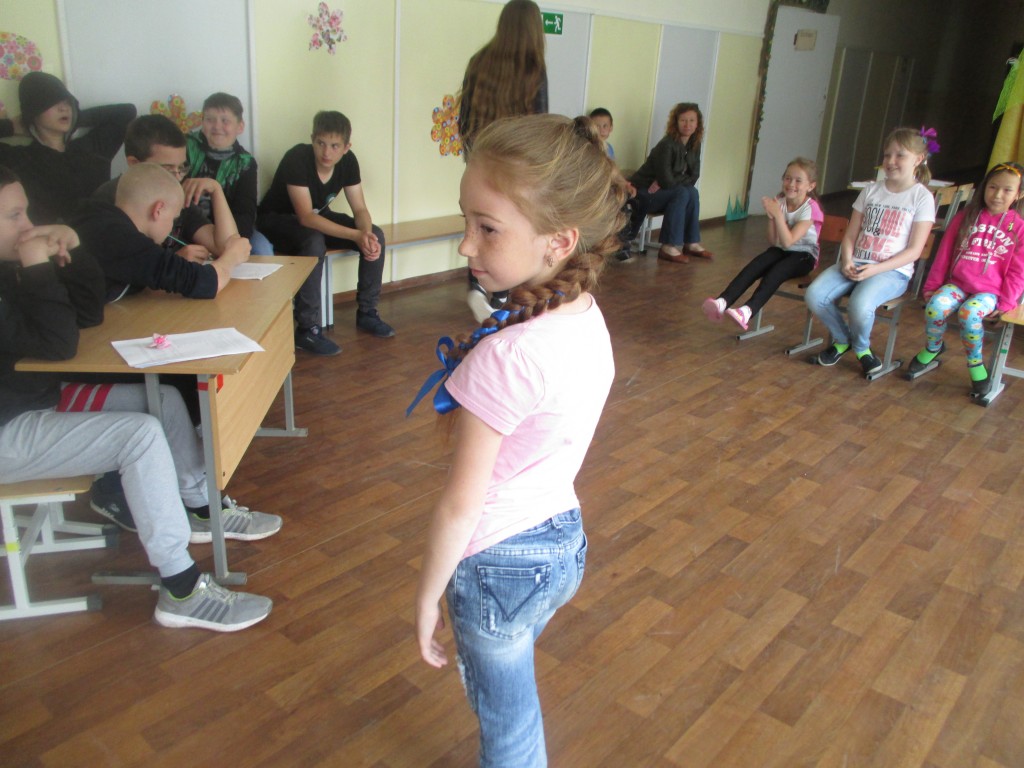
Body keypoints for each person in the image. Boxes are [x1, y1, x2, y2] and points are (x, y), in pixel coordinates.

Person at [413, 114, 623, 767]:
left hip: (495, 562)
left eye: (487, 228)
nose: (465, 245)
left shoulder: (506, 357)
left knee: (510, 731)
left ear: (559, 241)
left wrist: (426, 596)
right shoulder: (585, 315)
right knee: (511, 679)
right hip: (563, 547)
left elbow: (460, 505)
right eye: (466, 221)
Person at [0, 165, 274, 631]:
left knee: (162, 399)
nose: (29, 226)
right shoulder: (17, 271)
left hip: (35, 399)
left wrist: (74, 248)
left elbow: (86, 314)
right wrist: (39, 269)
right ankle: (181, 589)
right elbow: (59, 344)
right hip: (11, 427)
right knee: (139, 436)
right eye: (14, 216)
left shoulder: (9, 267)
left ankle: (201, 508)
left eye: (25, 212)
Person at [257, 110, 393, 356]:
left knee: (377, 235)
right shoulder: (297, 158)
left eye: (334, 146)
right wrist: (354, 236)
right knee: (313, 242)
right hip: (277, 219)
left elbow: (360, 209)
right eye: (320, 143)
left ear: (346, 147)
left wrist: (365, 235)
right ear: (312, 139)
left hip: (317, 216)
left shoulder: (349, 162)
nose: (326, 152)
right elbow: (305, 217)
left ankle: (367, 312)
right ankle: (307, 329)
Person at [804, 127, 937, 376]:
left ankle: (862, 348)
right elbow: (850, 235)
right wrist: (847, 260)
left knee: (860, 304)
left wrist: (875, 269)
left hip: (892, 272)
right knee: (814, 295)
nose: (891, 161)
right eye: (887, 155)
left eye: (900, 155)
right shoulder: (871, 190)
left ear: (918, 159)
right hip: (855, 263)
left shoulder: (921, 197)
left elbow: (914, 250)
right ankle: (842, 339)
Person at [458, 0, 548, 323]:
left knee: (477, 230)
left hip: (479, 165)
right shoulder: (533, 68)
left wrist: (473, 162)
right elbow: (539, 127)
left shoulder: (478, 62)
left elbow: (463, 120)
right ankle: (498, 296)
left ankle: (480, 289)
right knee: (505, 232)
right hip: (515, 172)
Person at [907, 161, 1024, 398]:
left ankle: (975, 364)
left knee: (969, 314)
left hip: (990, 292)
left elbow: (1018, 271)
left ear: (1019, 194)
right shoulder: (966, 217)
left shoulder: (1019, 228)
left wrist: (1006, 303)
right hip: (958, 284)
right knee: (935, 307)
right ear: (985, 187)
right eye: (993, 187)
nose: (997, 195)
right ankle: (934, 347)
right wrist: (932, 286)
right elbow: (944, 253)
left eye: (1007, 190)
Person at [71, 162, 250, 302]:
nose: (172, 226)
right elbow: (205, 283)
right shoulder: (120, 238)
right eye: (173, 218)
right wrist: (232, 257)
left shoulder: (101, 220)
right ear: (158, 210)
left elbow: (145, 272)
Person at [91, 114, 244, 268]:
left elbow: (226, 247)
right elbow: (117, 270)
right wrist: (173, 262)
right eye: (167, 169)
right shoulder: (110, 200)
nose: (177, 178)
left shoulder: (175, 193)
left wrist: (216, 190)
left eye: (181, 167)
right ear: (134, 163)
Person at [0, 71, 135, 224]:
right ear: (33, 111)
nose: (64, 108)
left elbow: (127, 112)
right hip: (53, 238)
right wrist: (10, 126)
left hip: (105, 234)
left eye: (67, 102)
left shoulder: (93, 148)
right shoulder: (19, 159)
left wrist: (77, 118)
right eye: (52, 102)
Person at [703, 158, 822, 330]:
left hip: (804, 256)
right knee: (756, 265)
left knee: (776, 272)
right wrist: (772, 216)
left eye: (798, 181)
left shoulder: (811, 209)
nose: (791, 184)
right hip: (781, 249)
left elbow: (788, 241)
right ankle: (723, 301)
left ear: (810, 186)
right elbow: (774, 241)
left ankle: (747, 311)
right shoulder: (779, 201)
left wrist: (777, 214)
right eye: (788, 178)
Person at [185, 92, 274, 255]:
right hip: (189, 228)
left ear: (240, 127)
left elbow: (245, 212)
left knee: (262, 249)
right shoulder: (186, 147)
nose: (217, 126)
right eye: (210, 119)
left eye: (225, 121)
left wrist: (229, 243)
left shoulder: (245, 163)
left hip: (230, 231)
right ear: (202, 122)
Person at [629, 102, 712, 263]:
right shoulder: (666, 145)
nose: (687, 124)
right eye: (683, 120)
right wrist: (675, 178)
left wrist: (672, 178)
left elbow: (694, 176)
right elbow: (667, 181)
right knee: (682, 192)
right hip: (645, 194)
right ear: (676, 122)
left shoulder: (695, 144)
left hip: (665, 192)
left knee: (692, 192)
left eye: (692, 120)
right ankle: (668, 246)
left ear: (698, 124)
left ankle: (691, 243)